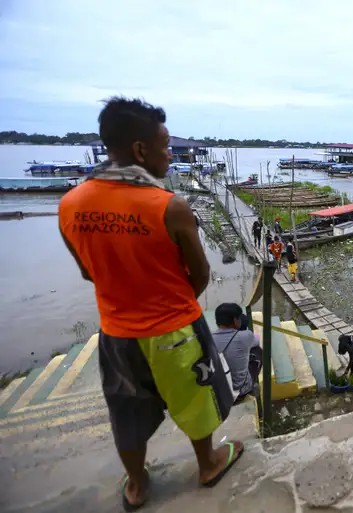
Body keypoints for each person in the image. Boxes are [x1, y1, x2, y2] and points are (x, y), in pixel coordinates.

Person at [57, 97, 242, 508]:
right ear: (140, 150)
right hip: (175, 330)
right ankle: (208, 463)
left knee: (126, 412)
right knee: (196, 399)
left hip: (116, 334)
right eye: (165, 146)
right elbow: (201, 274)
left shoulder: (70, 205)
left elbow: (88, 272)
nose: (171, 154)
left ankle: (138, 485)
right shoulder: (170, 207)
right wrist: (170, 305)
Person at [212, 303, 262, 401]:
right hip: (239, 391)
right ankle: (252, 385)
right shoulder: (245, 336)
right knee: (257, 351)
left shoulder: (208, 338)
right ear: (235, 320)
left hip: (219, 391)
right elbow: (256, 340)